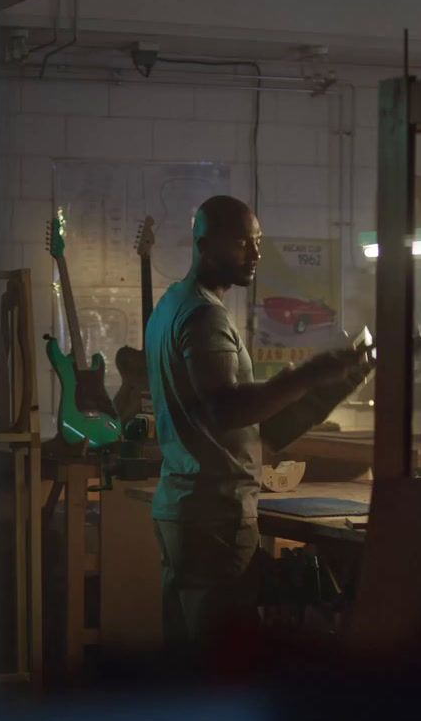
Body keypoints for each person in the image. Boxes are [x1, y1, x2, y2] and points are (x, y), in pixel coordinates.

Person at [145, 195, 367, 659]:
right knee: (219, 667)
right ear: (205, 244)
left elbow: (251, 432)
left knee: (190, 662)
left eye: (259, 243)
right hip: (214, 514)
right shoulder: (203, 315)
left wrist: (334, 383)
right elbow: (230, 410)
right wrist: (311, 372)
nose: (256, 255)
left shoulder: (172, 304)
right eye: (244, 243)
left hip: (189, 509)